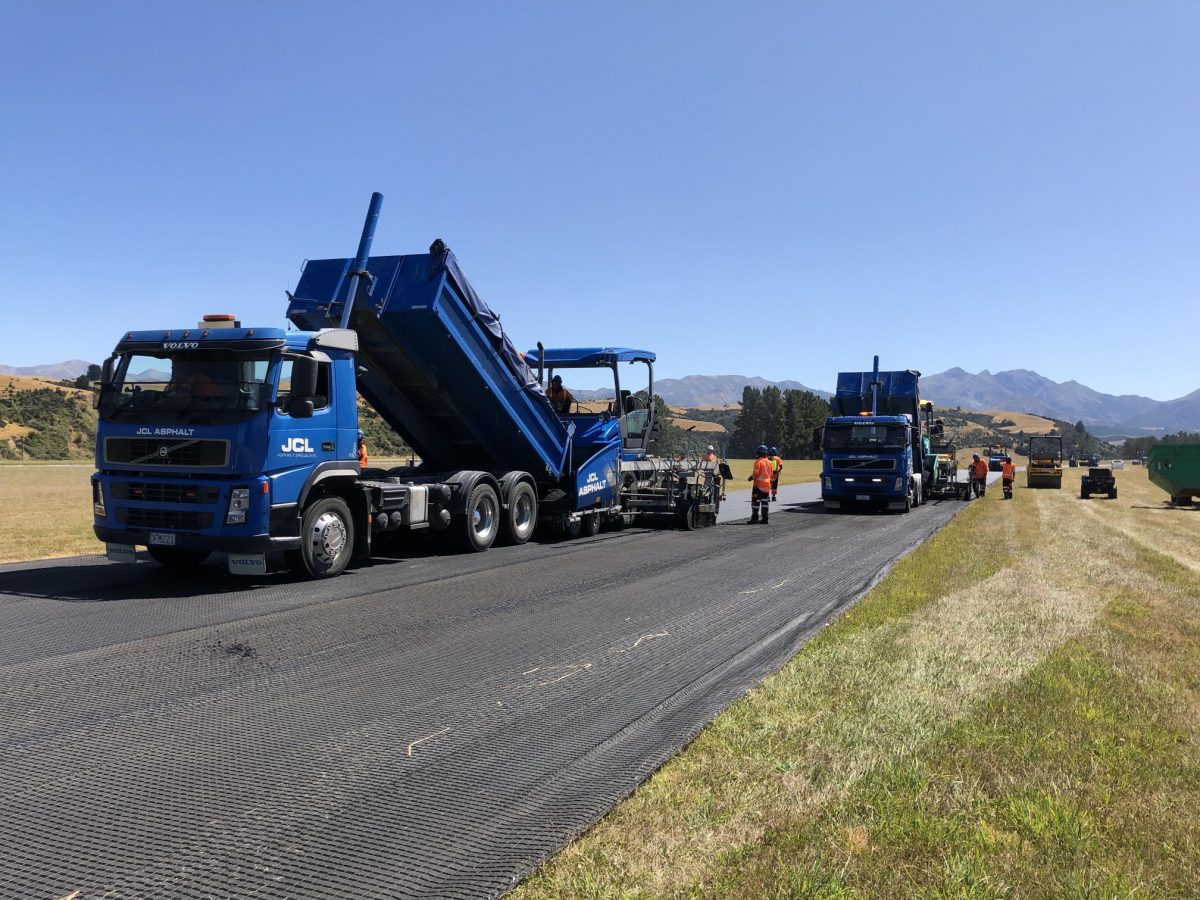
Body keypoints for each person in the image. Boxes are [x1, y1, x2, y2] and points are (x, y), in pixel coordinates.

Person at [748, 444, 773, 524]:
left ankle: (754, 519)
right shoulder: (769, 462)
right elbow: (771, 474)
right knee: (765, 502)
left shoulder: (758, 462)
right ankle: (765, 519)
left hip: (758, 485)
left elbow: (756, 474)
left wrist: (750, 478)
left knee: (756, 502)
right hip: (767, 485)